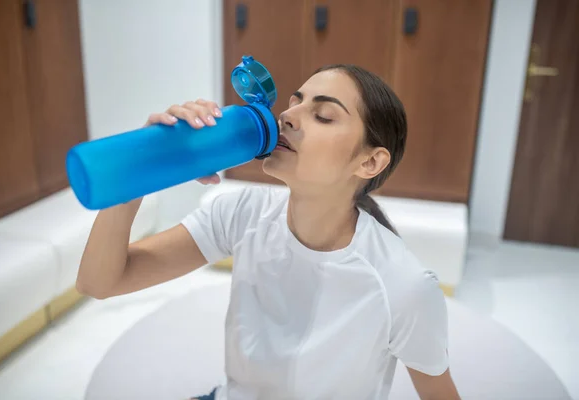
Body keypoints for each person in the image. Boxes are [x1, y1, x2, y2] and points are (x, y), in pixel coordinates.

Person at [76, 64, 460, 399]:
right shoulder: (241, 213)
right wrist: (142, 164)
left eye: (323, 115)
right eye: (294, 102)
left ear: (370, 161)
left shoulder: (403, 286)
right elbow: (100, 282)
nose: (288, 116)